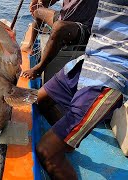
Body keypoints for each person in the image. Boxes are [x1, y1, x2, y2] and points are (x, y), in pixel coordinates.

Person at [34, 0, 128, 179]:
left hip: (111, 74)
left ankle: (62, 142)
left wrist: (41, 9)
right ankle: (69, 139)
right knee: (40, 100)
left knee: (47, 151)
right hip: (89, 59)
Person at [21, 0, 99, 79]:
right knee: (38, 11)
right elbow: (49, 2)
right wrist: (40, 2)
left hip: (84, 27)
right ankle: (31, 45)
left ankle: (39, 68)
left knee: (59, 27)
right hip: (64, 18)